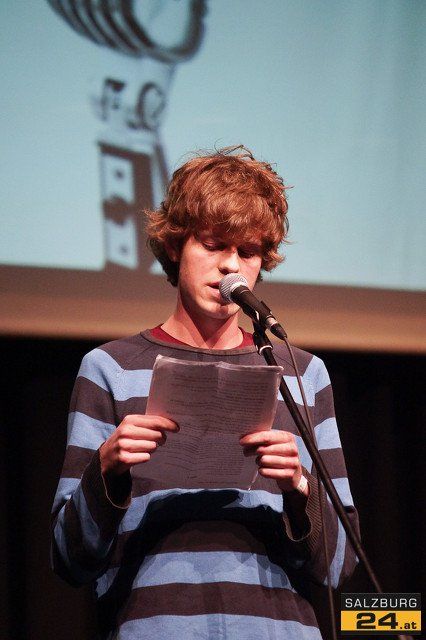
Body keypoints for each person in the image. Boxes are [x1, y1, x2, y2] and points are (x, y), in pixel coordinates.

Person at [51, 146, 359, 639]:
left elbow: (341, 563)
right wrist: (105, 471)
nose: (230, 266)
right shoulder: (110, 369)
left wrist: (299, 487)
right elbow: (69, 559)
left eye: (248, 252)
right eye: (213, 245)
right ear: (176, 246)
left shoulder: (303, 373)